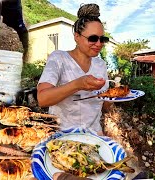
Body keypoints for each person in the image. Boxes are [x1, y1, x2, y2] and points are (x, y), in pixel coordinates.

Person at [37, 3, 111, 135]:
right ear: (77, 37)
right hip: (62, 136)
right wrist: (78, 84)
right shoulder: (59, 58)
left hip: (93, 135)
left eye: (102, 39)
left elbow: (105, 106)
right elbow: (43, 99)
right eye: (93, 38)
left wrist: (115, 95)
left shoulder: (101, 65)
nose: (99, 44)